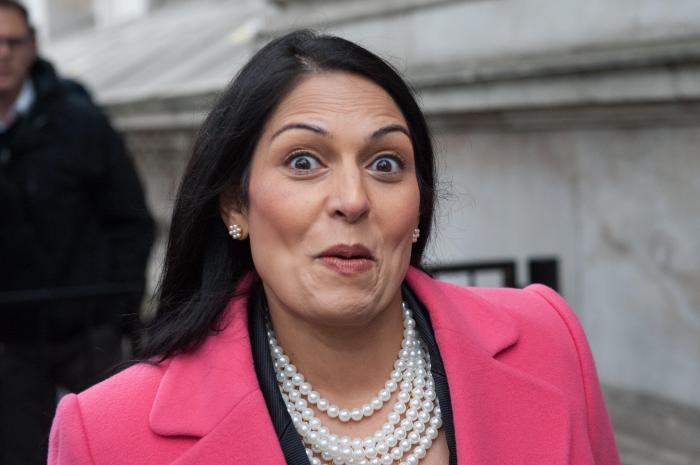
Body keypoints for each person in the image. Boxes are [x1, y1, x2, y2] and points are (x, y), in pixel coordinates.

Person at [48, 30, 619, 465]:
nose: (352, 199)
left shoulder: (549, 340)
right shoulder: (106, 435)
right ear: (236, 205)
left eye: (385, 164)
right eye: (304, 161)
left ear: (418, 208)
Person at [0, 1, 154, 464]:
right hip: (9, 343)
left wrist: (117, 307)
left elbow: (130, 218)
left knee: (116, 447)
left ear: (33, 47)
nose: (2, 54)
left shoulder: (80, 122)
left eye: (12, 42)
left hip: (89, 330)